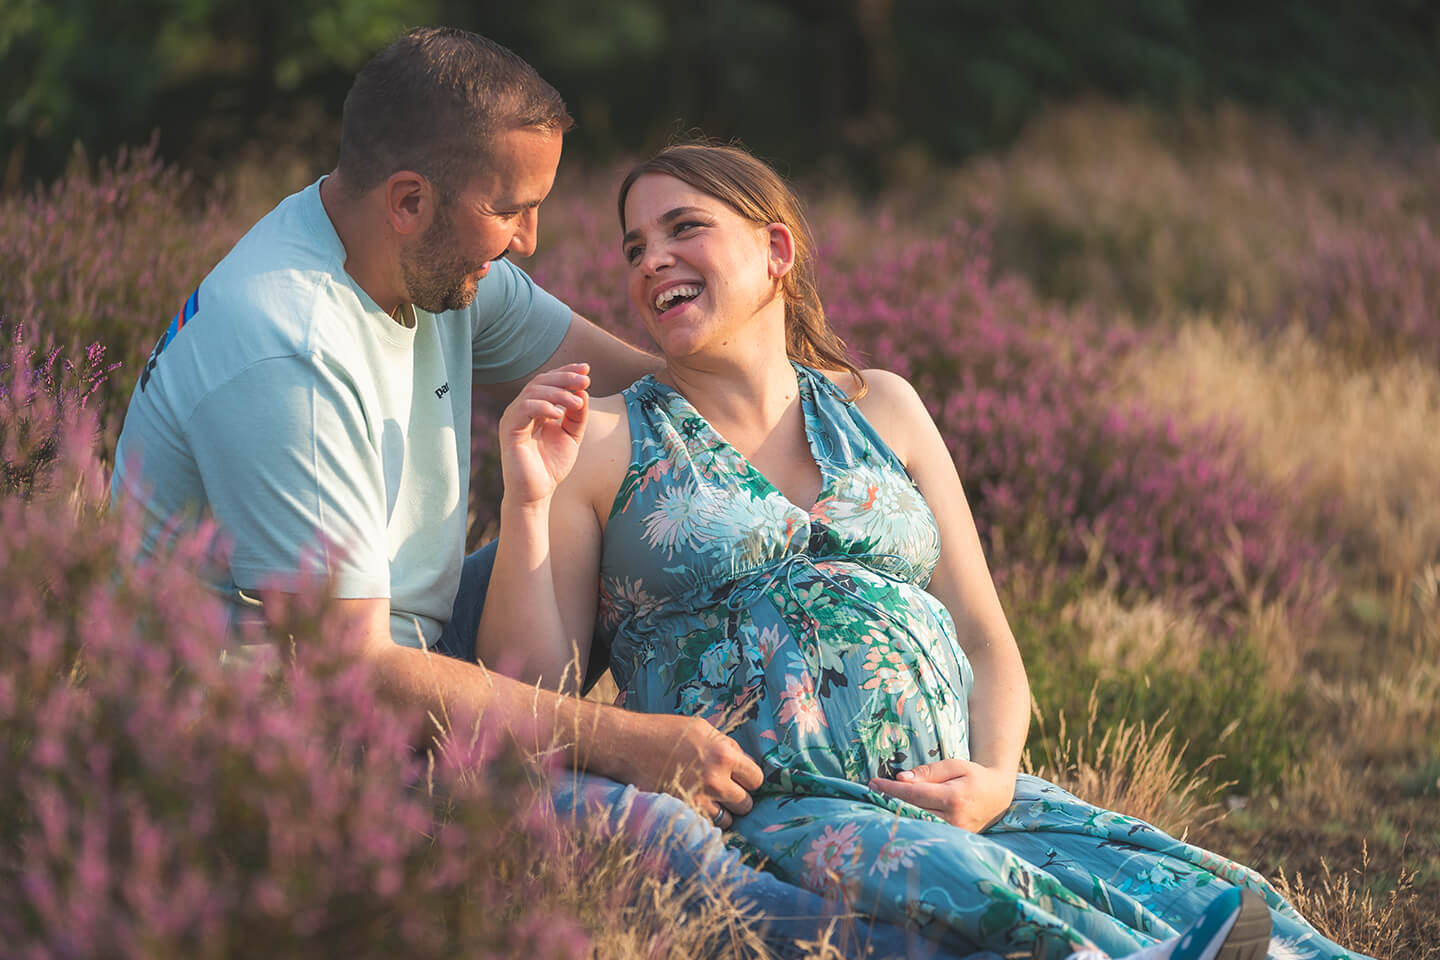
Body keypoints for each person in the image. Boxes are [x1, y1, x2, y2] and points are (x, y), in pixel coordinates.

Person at [111, 27, 974, 960]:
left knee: (639, 514)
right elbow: (350, 671)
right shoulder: (292, 353)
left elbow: (668, 396)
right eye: (513, 211)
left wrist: (820, 419)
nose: (531, 240)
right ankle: (880, 938)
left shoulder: (418, 258)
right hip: (287, 734)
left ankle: (804, 777)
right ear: (410, 201)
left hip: (406, 638)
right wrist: (624, 740)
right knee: (639, 831)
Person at [482, 142, 1372, 960]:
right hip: (780, 806)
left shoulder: (886, 407)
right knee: (1003, 904)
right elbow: (525, 692)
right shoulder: (603, 440)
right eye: (634, 247)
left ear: (776, 251)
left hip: (960, 798)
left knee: (1208, 897)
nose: (651, 261)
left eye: (685, 228)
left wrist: (992, 781)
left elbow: (986, 640)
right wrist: (527, 499)